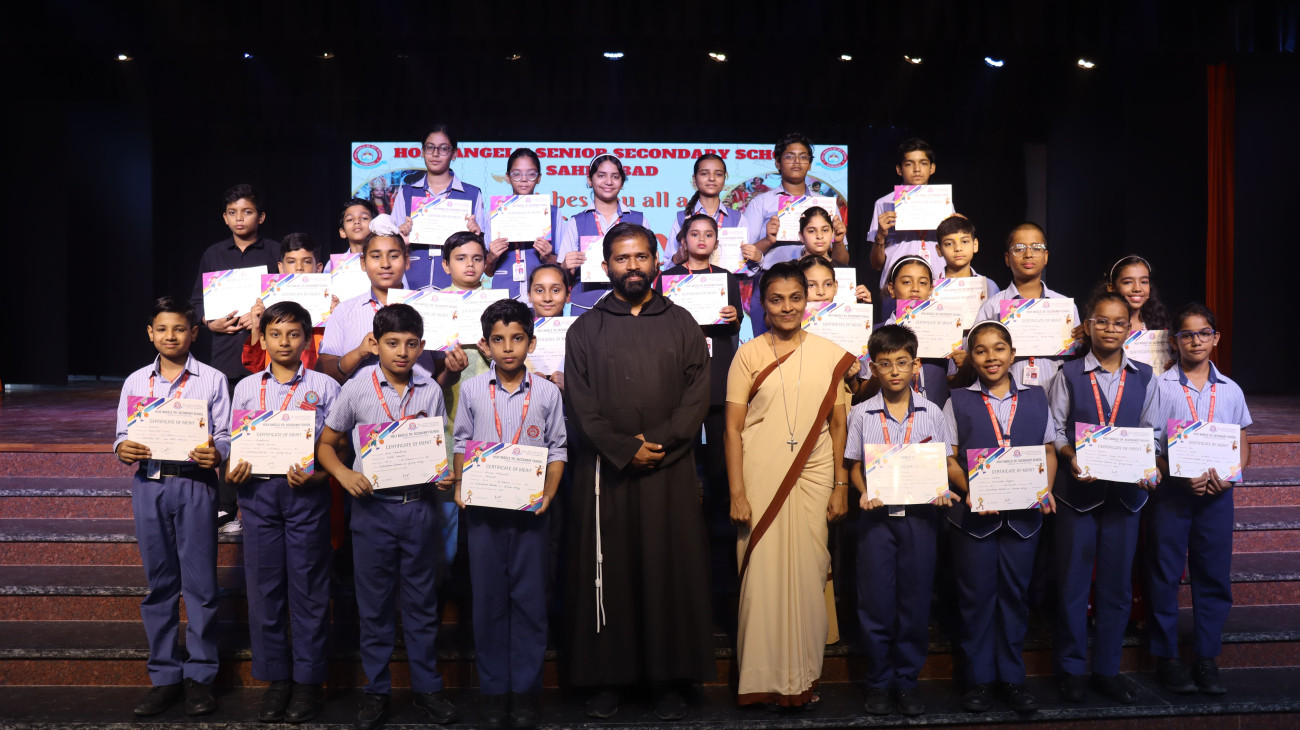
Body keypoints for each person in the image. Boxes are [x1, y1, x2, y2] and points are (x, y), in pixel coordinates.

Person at [562, 222, 712, 721]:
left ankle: (667, 680)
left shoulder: (683, 322)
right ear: (606, 265)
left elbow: (697, 395)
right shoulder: (585, 329)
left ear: (656, 261)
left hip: (669, 470)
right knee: (610, 572)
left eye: (641, 257)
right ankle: (608, 679)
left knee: (668, 571)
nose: (633, 266)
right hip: (607, 472)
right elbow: (581, 405)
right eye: (622, 258)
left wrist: (659, 444)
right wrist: (626, 450)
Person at [316, 304, 460, 730]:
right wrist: (344, 474)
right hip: (372, 511)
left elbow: (435, 448)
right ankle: (376, 691)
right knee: (375, 606)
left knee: (421, 605)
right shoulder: (357, 388)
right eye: (392, 343)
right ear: (375, 344)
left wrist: (442, 475)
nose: (402, 352)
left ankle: (427, 689)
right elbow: (325, 444)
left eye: (411, 344)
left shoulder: (430, 389)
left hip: (418, 509)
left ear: (421, 345)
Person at [725, 261, 855, 709]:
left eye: (795, 298)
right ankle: (760, 680)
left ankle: (803, 679)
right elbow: (732, 429)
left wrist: (841, 484)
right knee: (762, 578)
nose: (787, 307)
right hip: (760, 477)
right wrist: (737, 492)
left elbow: (839, 425)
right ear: (762, 304)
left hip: (816, 475)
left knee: (807, 574)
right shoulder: (748, 354)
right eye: (777, 299)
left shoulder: (828, 353)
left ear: (807, 301)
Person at [451, 299, 567, 730]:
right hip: (483, 512)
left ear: (531, 343)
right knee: (489, 602)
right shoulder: (473, 390)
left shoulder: (548, 393)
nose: (508, 348)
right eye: (498, 340)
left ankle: (524, 692)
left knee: (530, 602)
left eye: (517, 339)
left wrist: (549, 494)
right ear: (485, 345)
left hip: (531, 514)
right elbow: (461, 442)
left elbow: (558, 449)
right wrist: (460, 485)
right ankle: (495, 690)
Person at [113, 296, 230, 718]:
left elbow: (225, 435)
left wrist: (217, 452)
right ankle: (164, 677)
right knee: (160, 584)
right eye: (162, 329)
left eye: (179, 329)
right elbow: (121, 436)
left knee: (201, 586)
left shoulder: (213, 379)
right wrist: (123, 448)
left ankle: (200, 677)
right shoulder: (134, 382)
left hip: (195, 484)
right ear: (150, 333)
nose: (170, 336)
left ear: (194, 333)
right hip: (150, 484)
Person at [226, 301, 340, 723]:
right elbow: (236, 443)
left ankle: (308, 681)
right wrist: (233, 470)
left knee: (309, 590)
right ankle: (277, 678)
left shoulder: (326, 387)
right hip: (258, 496)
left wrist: (319, 476)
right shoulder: (246, 388)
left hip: (306, 495)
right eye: (275, 334)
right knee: (265, 589)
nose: (284, 342)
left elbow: (338, 445)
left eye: (293, 334)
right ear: (263, 339)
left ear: (307, 339)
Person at [1047, 292, 1157, 705]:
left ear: (1129, 329)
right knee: (1073, 587)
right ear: (1088, 325)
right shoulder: (1069, 373)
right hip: (1077, 496)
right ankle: (1071, 669)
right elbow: (1055, 429)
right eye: (1102, 321)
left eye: (1119, 323)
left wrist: (1149, 465)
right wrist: (1070, 456)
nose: (1111, 329)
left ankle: (1107, 670)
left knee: (1116, 588)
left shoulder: (1145, 376)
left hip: (1126, 499)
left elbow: (1152, 432)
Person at [943, 321, 1058, 714]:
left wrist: (1046, 489)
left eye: (998, 349)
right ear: (971, 358)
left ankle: (1011, 678)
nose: (990, 357)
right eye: (980, 350)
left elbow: (1048, 451)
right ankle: (977, 679)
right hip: (974, 519)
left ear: (1012, 354)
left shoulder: (1037, 397)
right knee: (975, 598)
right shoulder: (957, 400)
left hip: (1023, 519)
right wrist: (971, 489)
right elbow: (949, 458)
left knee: (1014, 597)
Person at [845, 325, 957, 717]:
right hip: (876, 522)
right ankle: (878, 681)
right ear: (873, 368)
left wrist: (942, 490)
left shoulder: (932, 413)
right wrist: (862, 490)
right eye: (885, 364)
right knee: (875, 603)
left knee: (914, 602)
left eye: (902, 362)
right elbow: (855, 466)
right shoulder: (861, 413)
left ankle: (907, 681)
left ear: (916, 365)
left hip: (920, 521)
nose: (894, 371)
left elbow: (942, 464)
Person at [1140, 303, 1252, 695]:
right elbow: (1149, 444)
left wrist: (1230, 478)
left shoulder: (1231, 389)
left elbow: (1242, 443)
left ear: (1215, 338)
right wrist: (1176, 473)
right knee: (1164, 574)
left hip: (1217, 497)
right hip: (1172, 495)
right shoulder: (1160, 386)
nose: (1196, 341)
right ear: (1175, 341)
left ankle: (1206, 658)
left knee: (1213, 576)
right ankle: (1167, 659)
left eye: (1204, 333)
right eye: (1187, 334)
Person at [657, 213, 745, 590]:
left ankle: (721, 524)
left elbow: (736, 325)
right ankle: (682, 525)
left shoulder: (727, 278)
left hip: (719, 375)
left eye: (709, 234)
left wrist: (734, 315)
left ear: (716, 241)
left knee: (720, 458)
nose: (702, 239)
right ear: (684, 240)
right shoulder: (667, 278)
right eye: (695, 233)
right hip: (680, 379)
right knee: (683, 452)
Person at [189, 183, 279, 532]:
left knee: (262, 426)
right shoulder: (213, 254)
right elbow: (196, 301)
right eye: (232, 212)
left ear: (261, 216)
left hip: (266, 354)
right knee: (227, 430)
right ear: (225, 218)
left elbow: (289, 294)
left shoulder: (274, 251)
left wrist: (264, 313)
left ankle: (262, 504)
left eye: (247, 211)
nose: (240, 218)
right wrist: (208, 321)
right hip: (225, 356)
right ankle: (226, 508)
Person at [317, 216, 460, 385]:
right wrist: (360, 352)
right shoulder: (344, 311)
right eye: (376, 256)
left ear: (407, 261)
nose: (385, 264)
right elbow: (324, 373)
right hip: (362, 400)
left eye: (393, 256)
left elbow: (440, 377)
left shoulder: (429, 307)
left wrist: (452, 371)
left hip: (418, 399)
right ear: (363, 262)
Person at [742, 133, 848, 322]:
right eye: (790, 156)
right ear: (777, 162)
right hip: (771, 283)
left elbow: (842, 263)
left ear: (810, 163)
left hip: (815, 289)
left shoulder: (826, 205)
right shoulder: (761, 203)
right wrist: (768, 240)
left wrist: (839, 242)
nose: (797, 162)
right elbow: (744, 256)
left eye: (803, 156)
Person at [974, 223, 1081, 387]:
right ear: (1007, 259)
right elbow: (977, 353)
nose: (1028, 254)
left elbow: (1078, 353)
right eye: (1019, 248)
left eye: (1036, 248)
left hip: (1056, 392)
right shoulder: (992, 307)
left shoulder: (1065, 306)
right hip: (1007, 394)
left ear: (1046, 256)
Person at [391, 123, 490, 289]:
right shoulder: (406, 193)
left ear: (454, 154)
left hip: (454, 284)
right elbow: (392, 246)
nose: (435, 154)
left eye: (443, 148)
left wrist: (476, 235)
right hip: (411, 280)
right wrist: (400, 238)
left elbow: (481, 248)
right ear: (423, 151)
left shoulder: (472, 194)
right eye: (430, 147)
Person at [867, 139, 946, 318]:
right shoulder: (884, 203)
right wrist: (880, 236)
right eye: (909, 164)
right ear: (899, 169)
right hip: (897, 289)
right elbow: (876, 264)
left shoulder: (944, 202)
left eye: (923, 163)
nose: (917, 169)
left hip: (936, 285)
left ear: (932, 168)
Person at [556, 154, 645, 311]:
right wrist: (565, 266)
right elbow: (562, 277)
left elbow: (647, 266)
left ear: (622, 182)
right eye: (601, 175)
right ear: (590, 180)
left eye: (615, 176)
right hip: (585, 306)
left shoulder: (639, 220)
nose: (608, 182)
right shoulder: (576, 222)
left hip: (629, 303)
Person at [243, 233, 336, 373]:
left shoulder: (330, 304)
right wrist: (256, 327)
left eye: (307, 261)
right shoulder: (268, 306)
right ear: (281, 268)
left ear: (318, 268)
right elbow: (255, 365)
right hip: (277, 379)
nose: (299, 267)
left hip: (320, 376)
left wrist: (337, 318)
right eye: (291, 261)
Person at [486, 148, 559, 298]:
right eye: (517, 174)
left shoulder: (553, 213)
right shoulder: (494, 214)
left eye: (531, 174)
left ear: (539, 178)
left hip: (541, 297)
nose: (524, 179)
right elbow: (488, 271)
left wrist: (548, 257)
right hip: (504, 295)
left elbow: (562, 265)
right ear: (507, 177)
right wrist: (492, 257)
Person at [663, 153, 749, 264]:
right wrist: (677, 258)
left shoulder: (738, 219)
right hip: (690, 275)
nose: (712, 178)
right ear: (694, 179)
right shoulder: (682, 218)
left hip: (728, 275)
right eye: (704, 174)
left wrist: (758, 257)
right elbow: (667, 265)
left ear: (725, 177)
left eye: (718, 174)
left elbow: (746, 263)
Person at [935, 216, 999, 299]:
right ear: (939, 250)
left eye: (965, 241)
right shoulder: (931, 287)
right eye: (949, 244)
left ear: (975, 245)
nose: (958, 248)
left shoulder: (989, 286)